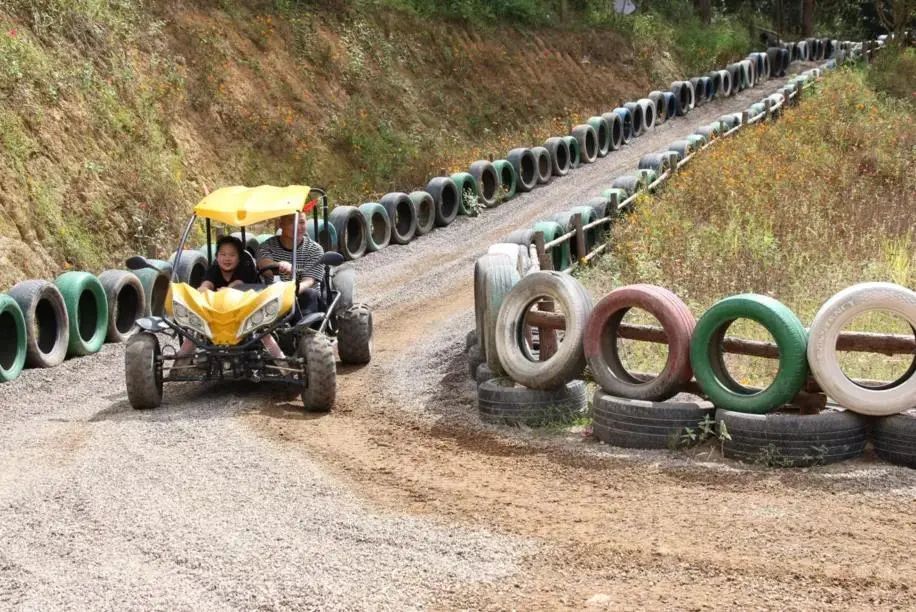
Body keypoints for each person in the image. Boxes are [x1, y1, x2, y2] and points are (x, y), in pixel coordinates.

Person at [256, 212, 325, 315]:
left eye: (301, 222)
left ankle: (304, 330)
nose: (298, 227)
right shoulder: (267, 246)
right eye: (292, 222)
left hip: (304, 300)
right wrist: (279, 265)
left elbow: (308, 282)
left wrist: (289, 293)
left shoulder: (314, 249)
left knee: (310, 293)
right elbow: (264, 266)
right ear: (280, 224)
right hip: (273, 301)